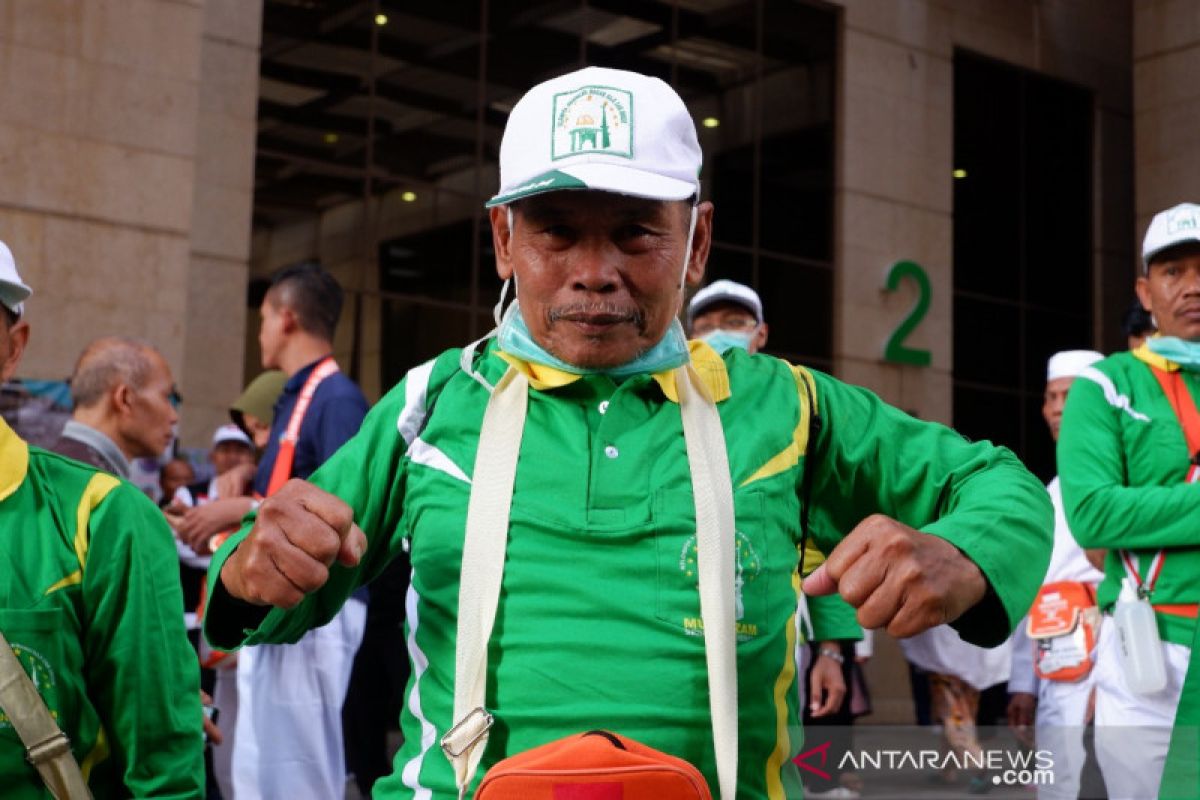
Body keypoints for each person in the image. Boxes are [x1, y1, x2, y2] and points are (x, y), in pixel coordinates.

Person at [204, 66, 1053, 798]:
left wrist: (966, 555)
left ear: (696, 242)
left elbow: (998, 483)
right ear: (503, 239)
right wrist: (252, 566)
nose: (594, 271)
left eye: (637, 232)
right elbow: (261, 590)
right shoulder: (430, 405)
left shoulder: (788, 408)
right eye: (557, 232)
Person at [0, 242, 204, 797]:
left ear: (13, 347)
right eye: (169, 396)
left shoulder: (106, 517)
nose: (175, 414)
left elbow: (163, 761)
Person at [688, 279, 863, 797]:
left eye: (735, 324)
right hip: (676, 629)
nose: (721, 334)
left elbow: (823, 538)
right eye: (707, 324)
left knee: (770, 759)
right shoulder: (661, 401)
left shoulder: (797, 412)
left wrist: (831, 652)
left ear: (760, 334)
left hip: (767, 640)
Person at [1058, 202, 1200, 799]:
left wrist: (1154, 509)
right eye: (1174, 272)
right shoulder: (1105, 383)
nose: (1193, 287)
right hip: (1153, 652)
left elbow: (1121, 507)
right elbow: (1091, 510)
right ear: (1146, 291)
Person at [224, 263, 370, 799]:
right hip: (284, 605)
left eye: (262, 318)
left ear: (285, 319)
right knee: (263, 761)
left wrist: (235, 508)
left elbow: (343, 514)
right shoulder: (301, 395)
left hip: (314, 607)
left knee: (297, 766)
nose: (259, 331)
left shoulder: (336, 399)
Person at [1006, 349, 1106, 800]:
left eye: (1070, 395)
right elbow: (1038, 593)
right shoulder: (1047, 493)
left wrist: (1111, 680)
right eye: (1051, 397)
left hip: (1109, 668)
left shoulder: (1117, 482)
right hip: (1054, 666)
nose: (1059, 407)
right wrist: (1024, 683)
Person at [49, 336, 179, 480]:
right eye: (166, 397)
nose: (174, 417)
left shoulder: (40, 474)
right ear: (125, 399)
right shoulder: (103, 492)